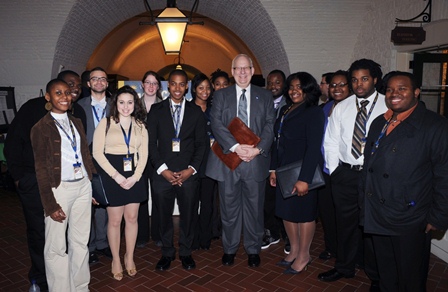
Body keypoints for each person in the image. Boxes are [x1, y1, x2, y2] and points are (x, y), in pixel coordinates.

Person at [360, 71, 448, 291]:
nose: (394, 93)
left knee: (410, 276)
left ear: (416, 92)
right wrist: (364, 204)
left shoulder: (435, 125)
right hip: (378, 211)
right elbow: (368, 167)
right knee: (386, 272)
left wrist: (438, 216)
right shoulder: (379, 122)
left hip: (410, 214)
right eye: (390, 89)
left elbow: (444, 174)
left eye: (402, 88)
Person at [4, 71, 87, 292]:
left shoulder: (77, 113)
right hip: (34, 180)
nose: (72, 91)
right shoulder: (33, 110)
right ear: (49, 94)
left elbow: (79, 152)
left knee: (69, 237)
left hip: (69, 184)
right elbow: (12, 144)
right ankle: (41, 280)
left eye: (75, 87)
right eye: (66, 86)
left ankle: (68, 281)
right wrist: (19, 178)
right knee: (40, 234)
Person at [319, 59, 386, 289]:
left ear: (375, 80)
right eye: (355, 79)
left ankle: (376, 275)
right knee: (344, 225)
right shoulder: (342, 107)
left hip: (375, 177)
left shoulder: (388, 106)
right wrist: (335, 171)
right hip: (345, 175)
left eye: (364, 79)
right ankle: (344, 266)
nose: (359, 84)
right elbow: (331, 142)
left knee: (373, 227)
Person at [206, 54, 276, 268]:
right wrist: (236, 147)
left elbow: (270, 125)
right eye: (238, 68)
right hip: (228, 161)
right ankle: (230, 249)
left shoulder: (264, 96)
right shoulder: (221, 96)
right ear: (233, 71)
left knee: (255, 210)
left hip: (255, 161)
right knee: (229, 210)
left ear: (253, 70)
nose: (242, 72)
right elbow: (216, 123)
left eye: (246, 68)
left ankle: (253, 250)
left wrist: (257, 149)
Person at [30, 79, 95, 291]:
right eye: (58, 93)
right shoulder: (40, 128)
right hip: (60, 190)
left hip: (83, 187)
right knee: (56, 248)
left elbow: (84, 154)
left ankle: (80, 287)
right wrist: (50, 205)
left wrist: (89, 184)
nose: (64, 97)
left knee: (80, 243)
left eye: (67, 92)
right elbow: (40, 169)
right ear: (48, 97)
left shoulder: (77, 122)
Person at [148, 69, 206, 271]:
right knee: (163, 216)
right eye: (173, 84)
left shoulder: (196, 112)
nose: (178, 88)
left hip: (188, 174)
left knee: (188, 216)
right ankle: (167, 253)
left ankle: (185, 252)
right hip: (162, 174)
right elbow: (150, 144)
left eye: (182, 84)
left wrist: (191, 170)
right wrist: (163, 170)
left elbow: (201, 145)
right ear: (168, 86)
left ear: (187, 86)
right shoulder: (156, 110)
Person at [269, 72, 324, 274]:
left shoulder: (313, 112)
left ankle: (304, 255)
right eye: (291, 87)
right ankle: (293, 250)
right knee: (287, 213)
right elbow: (277, 141)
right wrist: (273, 169)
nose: (294, 90)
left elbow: (313, 147)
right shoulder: (285, 109)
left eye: (299, 87)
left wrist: (304, 179)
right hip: (284, 170)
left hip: (302, 172)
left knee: (304, 215)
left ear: (309, 89)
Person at [92, 85, 148, 280]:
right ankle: (116, 259)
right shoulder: (105, 123)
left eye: (130, 102)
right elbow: (97, 153)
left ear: (135, 104)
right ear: (116, 104)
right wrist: (116, 176)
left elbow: (145, 153)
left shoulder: (140, 125)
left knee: (132, 218)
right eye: (122, 102)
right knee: (115, 220)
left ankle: (129, 257)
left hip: (134, 174)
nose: (126, 106)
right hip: (111, 173)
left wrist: (136, 176)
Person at [78, 67, 112, 264]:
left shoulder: (116, 105)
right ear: (88, 83)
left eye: (103, 79)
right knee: (87, 205)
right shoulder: (78, 106)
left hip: (109, 161)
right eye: (95, 79)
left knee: (105, 204)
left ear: (107, 84)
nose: (99, 82)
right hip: (86, 160)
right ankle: (89, 246)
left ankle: (102, 243)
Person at [317, 70, 351, 260]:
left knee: (344, 216)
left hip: (344, 170)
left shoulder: (354, 108)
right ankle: (332, 247)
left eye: (341, 85)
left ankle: (347, 254)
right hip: (325, 170)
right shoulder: (325, 108)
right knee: (327, 212)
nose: (337, 89)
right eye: (333, 85)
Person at [262, 69, 289, 251]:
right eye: (270, 83)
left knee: (286, 197)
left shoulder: (291, 104)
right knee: (267, 199)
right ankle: (271, 232)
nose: (273, 86)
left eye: (277, 82)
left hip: (284, 157)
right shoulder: (261, 103)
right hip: (264, 157)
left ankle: (289, 235)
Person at [136, 70, 163, 249]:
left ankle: (159, 234)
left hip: (158, 157)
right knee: (141, 196)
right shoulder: (133, 106)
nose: (151, 86)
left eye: (155, 83)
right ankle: (141, 235)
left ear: (159, 87)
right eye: (148, 82)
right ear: (142, 85)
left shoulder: (165, 106)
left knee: (159, 196)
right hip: (138, 158)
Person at [190, 73, 217, 250]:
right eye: (201, 88)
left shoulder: (215, 110)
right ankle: (191, 239)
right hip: (191, 163)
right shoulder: (187, 109)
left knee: (207, 203)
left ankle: (205, 238)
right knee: (191, 204)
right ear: (194, 90)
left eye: (208, 87)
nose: (205, 91)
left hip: (211, 163)